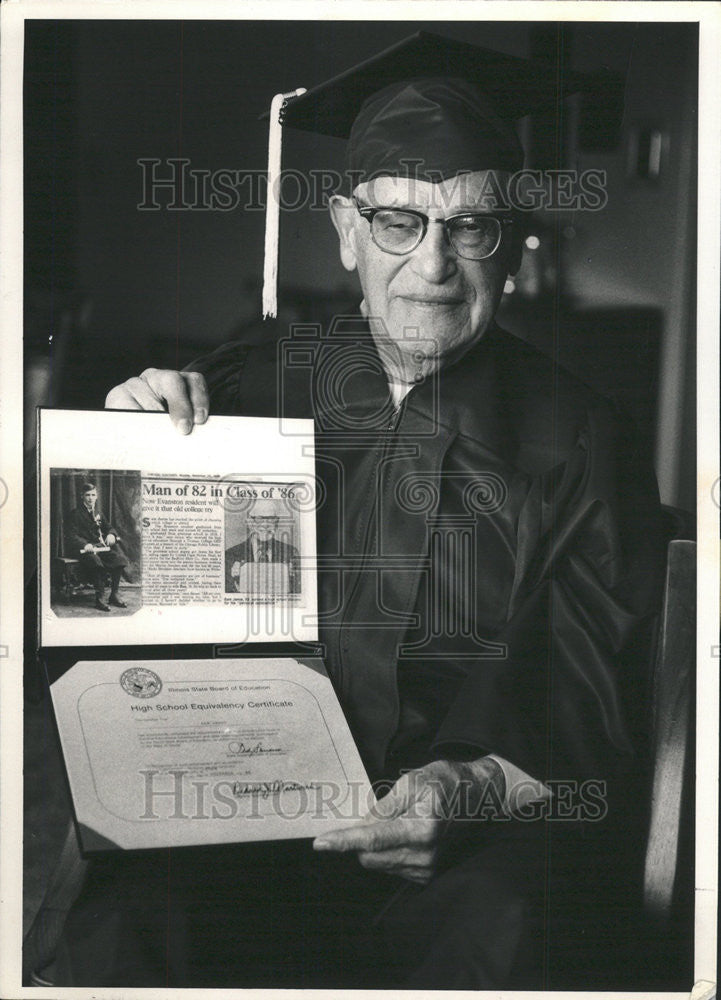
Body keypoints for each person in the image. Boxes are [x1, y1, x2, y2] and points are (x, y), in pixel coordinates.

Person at [50, 33, 666, 989]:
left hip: (461, 840)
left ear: (508, 243)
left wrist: (472, 787)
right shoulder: (244, 386)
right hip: (239, 803)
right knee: (130, 925)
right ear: (344, 228)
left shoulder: (585, 441)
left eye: (470, 227)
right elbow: (118, 609)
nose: (433, 267)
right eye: (397, 223)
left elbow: (589, 692)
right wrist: (124, 459)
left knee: (508, 932)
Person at [65, 482, 129, 612]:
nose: (90, 498)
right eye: (87, 495)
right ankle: (100, 599)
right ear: (82, 496)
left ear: (97, 496)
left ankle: (114, 596)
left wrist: (111, 534)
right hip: (82, 549)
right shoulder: (75, 514)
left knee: (119, 560)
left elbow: (109, 527)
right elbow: (71, 536)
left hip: (99, 547)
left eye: (93, 495)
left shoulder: (98, 513)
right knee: (96, 562)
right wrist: (84, 544)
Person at [224, 497, 301, 593]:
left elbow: (300, 591)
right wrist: (236, 581)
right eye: (259, 519)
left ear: (276, 523)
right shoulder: (231, 555)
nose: (265, 525)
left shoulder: (290, 553)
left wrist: (291, 578)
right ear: (250, 523)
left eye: (271, 519)